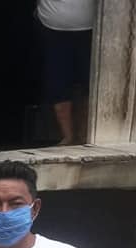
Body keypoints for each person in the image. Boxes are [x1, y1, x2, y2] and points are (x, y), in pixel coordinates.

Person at [37, 0, 96, 144]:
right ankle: (68, 138)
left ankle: (87, 137)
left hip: (91, 28)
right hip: (52, 29)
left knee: (92, 84)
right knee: (57, 83)